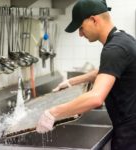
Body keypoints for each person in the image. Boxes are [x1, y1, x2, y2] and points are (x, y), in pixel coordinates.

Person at [36, 0, 136, 149]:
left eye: (81, 27)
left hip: (130, 134)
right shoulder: (123, 39)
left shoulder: (114, 48)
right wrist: (73, 81)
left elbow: (96, 98)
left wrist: (53, 113)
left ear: (94, 19)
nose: (80, 34)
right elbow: (109, 70)